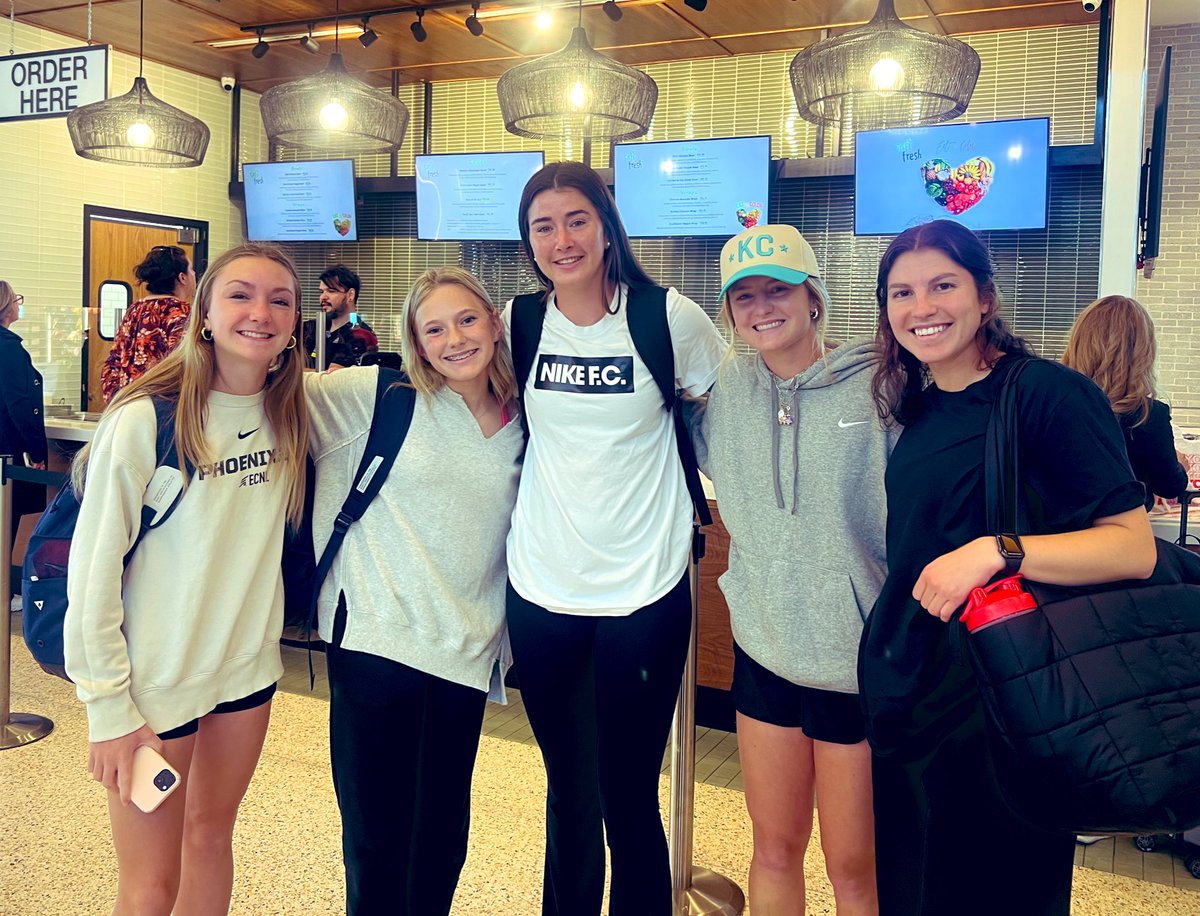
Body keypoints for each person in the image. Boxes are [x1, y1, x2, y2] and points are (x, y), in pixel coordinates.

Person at [858, 220, 1156, 916]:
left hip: (1007, 709)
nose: (921, 307)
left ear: (985, 297)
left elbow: (1132, 547)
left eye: (943, 285)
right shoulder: (919, 409)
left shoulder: (1047, 395)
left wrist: (999, 549)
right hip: (913, 701)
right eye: (902, 292)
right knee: (914, 889)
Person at [504, 161, 725, 916]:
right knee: (569, 789)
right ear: (528, 240)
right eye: (543, 226)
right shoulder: (519, 322)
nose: (560, 239)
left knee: (629, 795)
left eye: (575, 221)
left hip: (645, 588)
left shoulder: (668, 318)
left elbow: (722, 417)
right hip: (541, 587)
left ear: (605, 228)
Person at [64, 243, 309, 916]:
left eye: (279, 300)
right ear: (203, 313)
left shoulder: (290, 413)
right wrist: (109, 711)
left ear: (294, 324)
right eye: (239, 294)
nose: (260, 312)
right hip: (153, 698)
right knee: (149, 885)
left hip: (245, 681)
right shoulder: (146, 419)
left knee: (211, 837)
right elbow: (93, 572)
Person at [304, 267, 522, 916]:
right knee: (376, 842)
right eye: (434, 329)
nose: (454, 338)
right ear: (417, 343)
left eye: (466, 319)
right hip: (376, 641)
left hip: (465, 653)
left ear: (494, 322)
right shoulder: (374, 394)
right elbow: (260, 388)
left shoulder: (525, 419)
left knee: (440, 842)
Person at [691, 225, 891, 915]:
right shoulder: (728, 388)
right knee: (774, 847)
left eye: (777, 289)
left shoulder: (881, 388)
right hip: (765, 653)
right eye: (743, 296)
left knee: (854, 867)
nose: (761, 307)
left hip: (856, 663)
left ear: (814, 299)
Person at [1062, 294, 1189, 509]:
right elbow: (1169, 486)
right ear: (1143, 351)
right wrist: (1180, 465)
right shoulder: (1147, 416)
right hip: (1120, 534)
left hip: (1053, 534)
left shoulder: (1052, 405)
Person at [102, 245, 197, 402]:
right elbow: (185, 363)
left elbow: (113, 361)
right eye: (192, 270)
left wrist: (116, 399)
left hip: (128, 402)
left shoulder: (134, 309)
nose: (194, 275)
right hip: (162, 406)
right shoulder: (180, 311)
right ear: (182, 277)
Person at [0, 280, 47, 558]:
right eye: (16, 299)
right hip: (5, 448)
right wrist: (37, 450)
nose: (19, 304)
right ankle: (3, 593)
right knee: (6, 519)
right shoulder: (8, 349)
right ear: (6, 308)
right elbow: (18, 403)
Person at [302, 264, 378, 369]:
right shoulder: (311, 327)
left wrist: (295, 373)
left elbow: (332, 379)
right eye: (321, 291)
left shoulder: (359, 335)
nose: (323, 297)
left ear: (350, 295)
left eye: (331, 291)